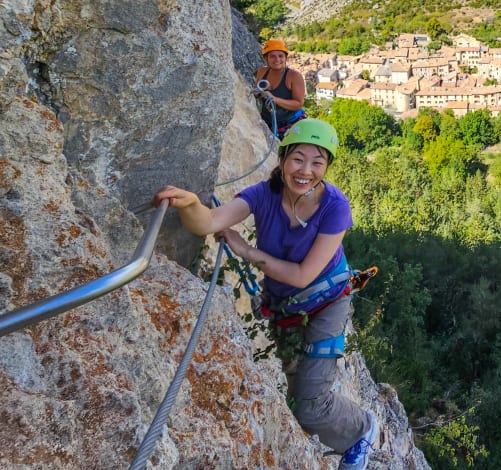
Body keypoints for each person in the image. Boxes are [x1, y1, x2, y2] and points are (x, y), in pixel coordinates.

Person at [153, 118, 378, 469]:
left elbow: (303, 275)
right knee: (298, 394)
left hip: (326, 303)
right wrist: (190, 203)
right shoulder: (263, 195)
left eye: (317, 162)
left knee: (310, 405)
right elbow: (208, 222)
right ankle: (333, 426)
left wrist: (246, 251)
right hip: (285, 306)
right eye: (298, 159)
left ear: (327, 167)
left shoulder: (335, 207)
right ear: (283, 158)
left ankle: (361, 429)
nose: (305, 171)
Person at [254, 39, 306, 137]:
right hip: (268, 122)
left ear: (286, 58)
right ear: (266, 59)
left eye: (280, 56)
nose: (277, 60)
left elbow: (298, 104)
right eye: (272, 56)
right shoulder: (262, 72)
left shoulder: (294, 76)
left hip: (291, 122)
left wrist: (274, 99)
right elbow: (256, 90)